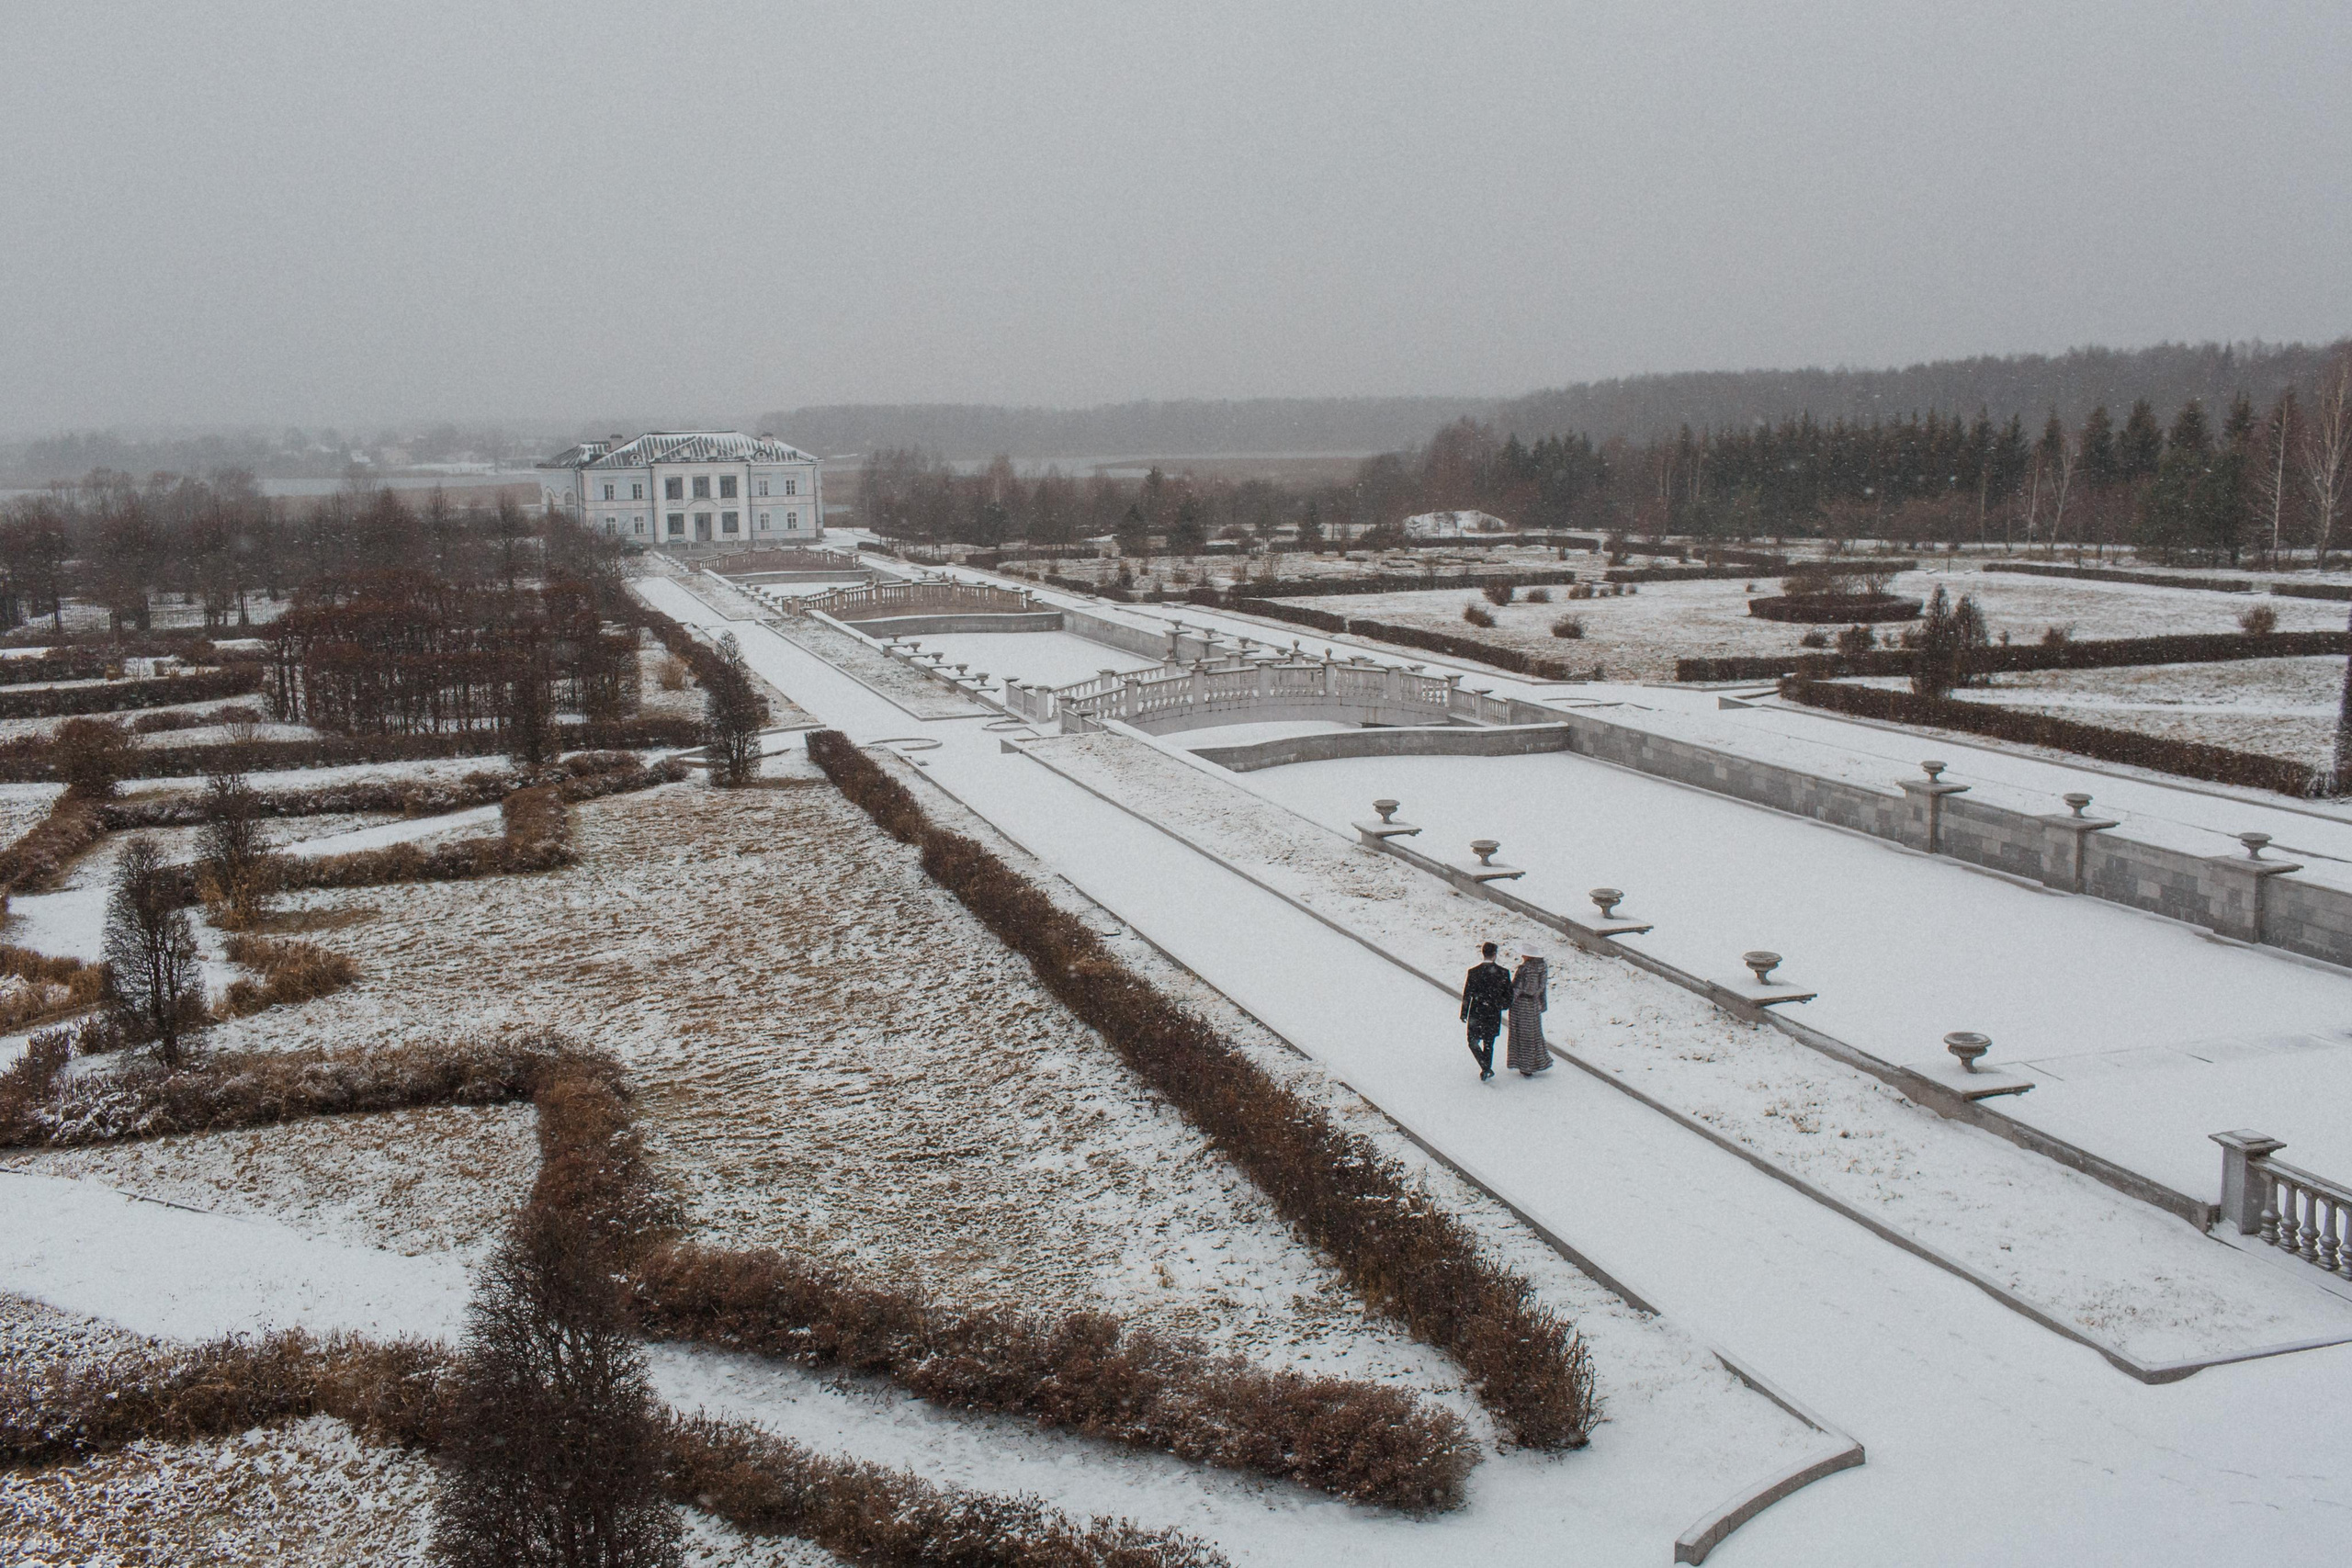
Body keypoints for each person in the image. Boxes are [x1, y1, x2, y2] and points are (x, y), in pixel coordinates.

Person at [1459, 941, 1512, 1080]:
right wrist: (1501, 1005)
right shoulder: (1503, 973)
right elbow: (1508, 995)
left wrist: (1464, 1012)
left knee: (1472, 1042)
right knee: (1489, 1043)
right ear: (1495, 955)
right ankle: (1486, 1068)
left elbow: (1467, 994)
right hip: (1493, 1013)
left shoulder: (1473, 972)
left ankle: (1485, 1068)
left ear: (1483, 953)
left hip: (1477, 1012)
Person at [1508, 953, 1553, 1076]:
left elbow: (1517, 988)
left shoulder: (1524, 969)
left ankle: (1525, 1065)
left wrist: (1507, 1000)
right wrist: (1542, 1003)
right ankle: (1539, 1061)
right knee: (1534, 1034)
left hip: (1521, 1005)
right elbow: (1542, 988)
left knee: (1522, 1035)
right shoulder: (1542, 967)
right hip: (1534, 1004)